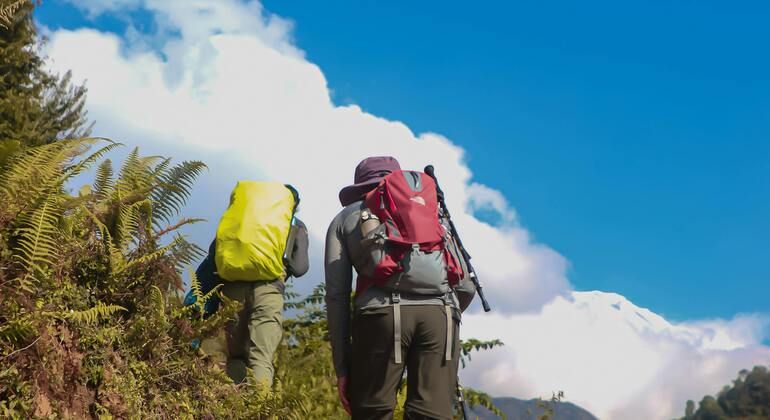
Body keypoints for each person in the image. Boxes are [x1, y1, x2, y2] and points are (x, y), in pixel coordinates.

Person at [325, 156, 476, 419]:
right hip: (441, 314)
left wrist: (343, 368)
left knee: (372, 412)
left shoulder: (345, 218)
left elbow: (336, 296)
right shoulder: (430, 211)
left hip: (379, 315)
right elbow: (465, 285)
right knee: (431, 414)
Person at [202, 181, 309, 386]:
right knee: (261, 357)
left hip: (232, 287)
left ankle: (231, 407)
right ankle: (257, 411)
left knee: (234, 356)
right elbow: (300, 268)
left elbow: (214, 253)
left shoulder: (240, 218)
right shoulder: (295, 224)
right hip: (269, 291)